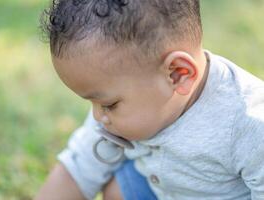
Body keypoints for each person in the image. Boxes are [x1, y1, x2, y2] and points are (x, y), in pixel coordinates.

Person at [35, 0, 264, 199]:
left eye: (109, 104)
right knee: (119, 188)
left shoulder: (248, 123)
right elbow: (77, 171)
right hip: (162, 191)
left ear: (177, 74)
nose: (97, 116)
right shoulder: (113, 116)